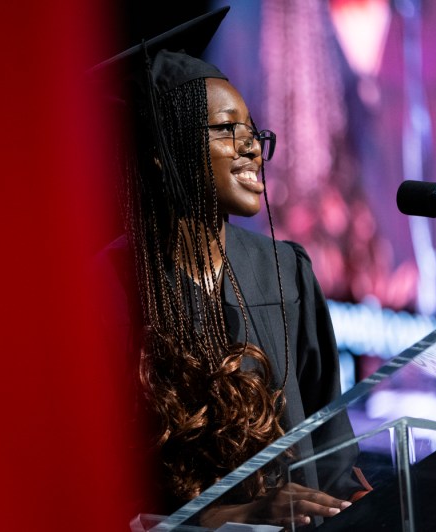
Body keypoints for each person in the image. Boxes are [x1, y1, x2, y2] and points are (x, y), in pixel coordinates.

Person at [90, 7, 371, 530]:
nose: (251, 147)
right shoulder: (101, 292)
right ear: (163, 152)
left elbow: (332, 449)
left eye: (252, 130)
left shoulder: (285, 274)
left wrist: (350, 509)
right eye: (225, 129)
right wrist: (222, 519)